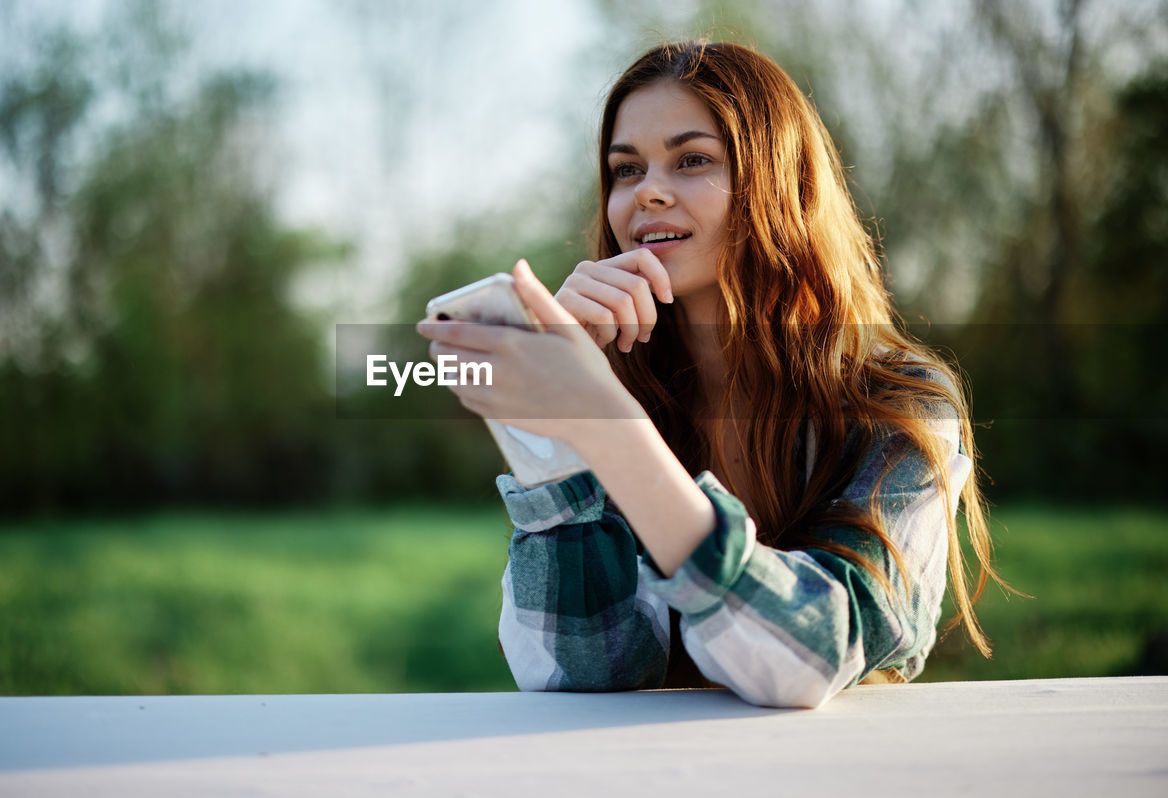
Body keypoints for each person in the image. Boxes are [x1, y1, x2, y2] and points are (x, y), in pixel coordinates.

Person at [416, 40, 999, 708]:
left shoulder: (900, 403)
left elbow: (816, 654)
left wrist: (613, 428)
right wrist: (554, 435)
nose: (649, 192)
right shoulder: (616, 378)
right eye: (625, 169)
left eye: (692, 160)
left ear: (780, 185)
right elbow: (582, 672)